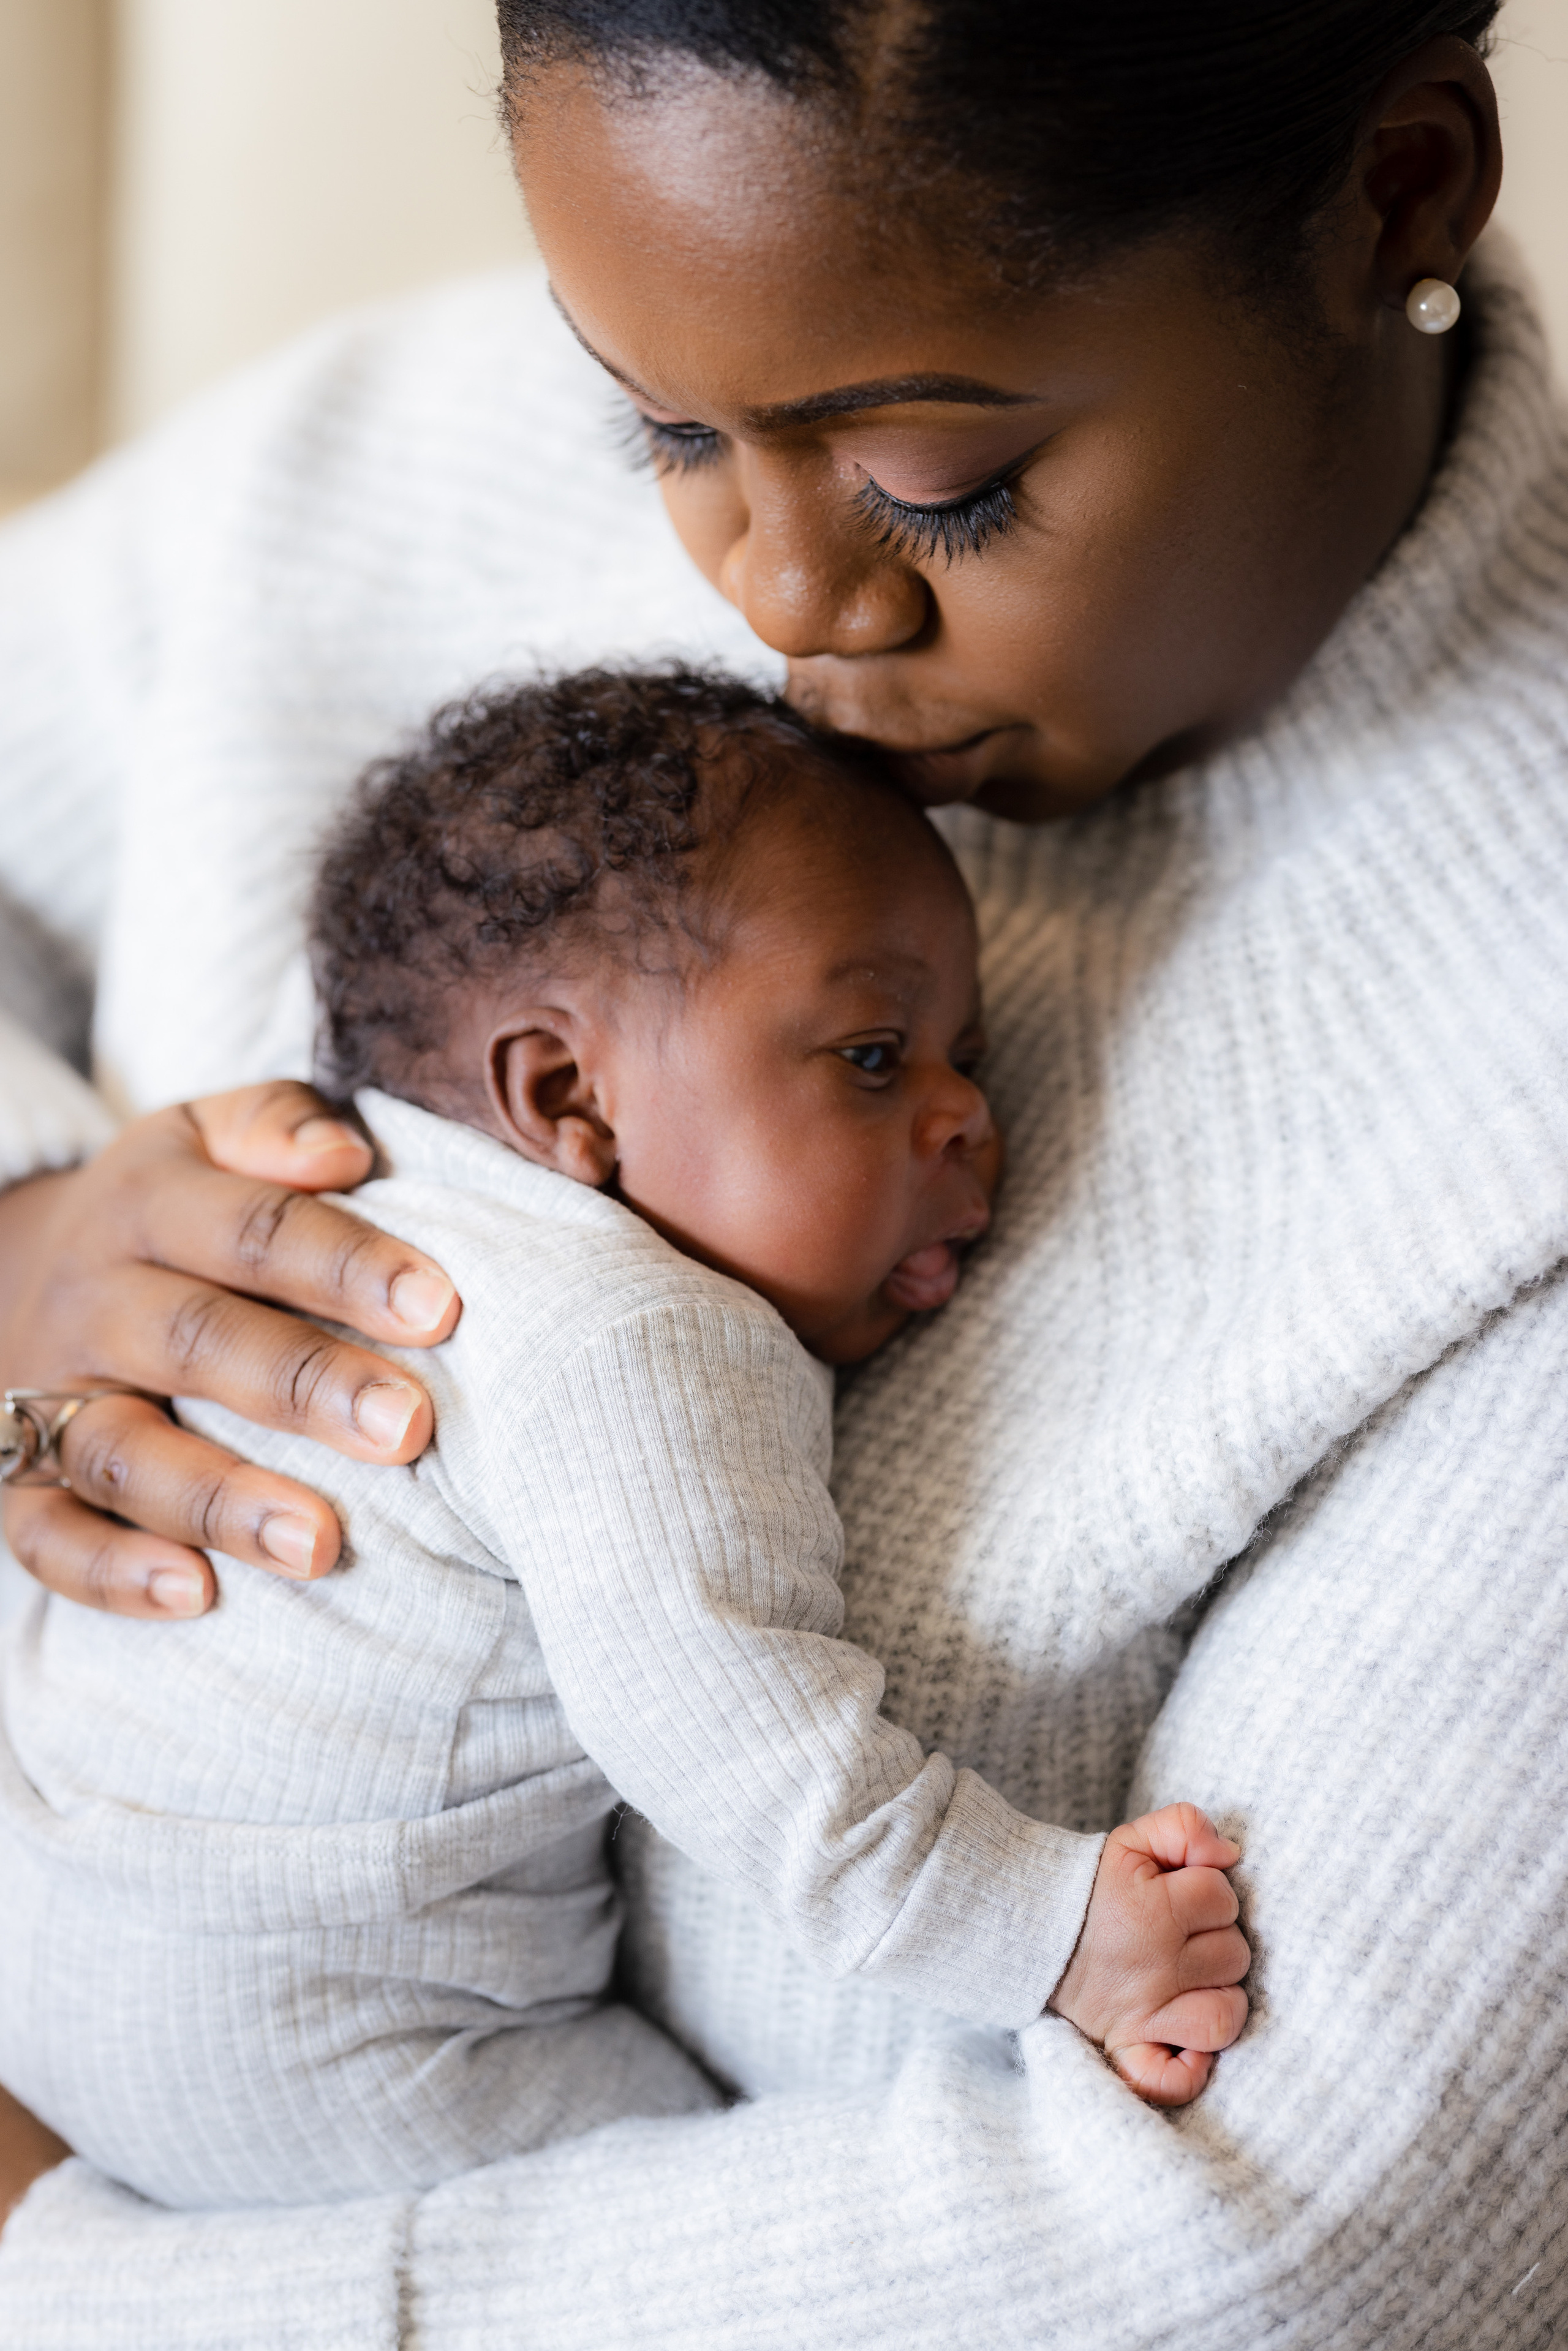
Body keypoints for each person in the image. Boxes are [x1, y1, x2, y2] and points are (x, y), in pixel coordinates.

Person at [0, 0, 1564, 2341]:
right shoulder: (400, 452)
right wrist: (24, 1230)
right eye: (662, 433)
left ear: (1404, 190)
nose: (781, 599)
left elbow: (1282, 2243)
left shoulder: (1506, 1075)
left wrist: (70, 2281)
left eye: (936, 478)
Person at [0, 664, 1246, 2208]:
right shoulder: (630, 1330)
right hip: (305, 2033)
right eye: (874, 1053)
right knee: (718, 2199)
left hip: (53, 1884)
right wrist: (1051, 1933)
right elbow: (750, 1749)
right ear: (566, 1096)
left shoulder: (361, 1177)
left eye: (966, 1062)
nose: (963, 1117)